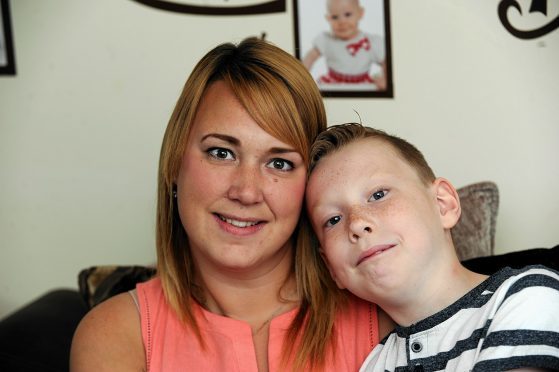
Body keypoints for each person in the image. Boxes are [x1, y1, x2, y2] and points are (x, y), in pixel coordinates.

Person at [70, 39, 392, 371]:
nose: (247, 192)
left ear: (309, 183)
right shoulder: (114, 336)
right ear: (174, 163)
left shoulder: (382, 314)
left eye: (279, 163)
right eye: (221, 153)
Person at [306, 123, 559, 371]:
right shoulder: (375, 363)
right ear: (331, 267)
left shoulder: (527, 297)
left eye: (379, 195)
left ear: (442, 204)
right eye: (333, 220)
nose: (357, 224)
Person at [302, 0, 387, 90]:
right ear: (328, 18)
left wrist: (386, 79)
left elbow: (386, 61)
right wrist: (301, 78)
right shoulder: (326, 39)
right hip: (333, 84)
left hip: (362, 85)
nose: (342, 22)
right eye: (335, 17)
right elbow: (310, 57)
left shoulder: (370, 41)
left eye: (347, 14)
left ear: (360, 13)